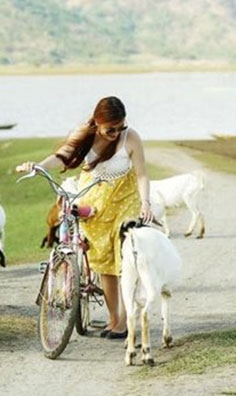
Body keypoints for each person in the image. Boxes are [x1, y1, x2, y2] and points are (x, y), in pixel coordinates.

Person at [16, 96, 153, 339]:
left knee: (124, 258)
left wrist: (145, 202)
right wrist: (37, 166)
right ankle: (114, 320)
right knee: (104, 263)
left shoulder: (131, 137)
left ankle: (126, 319)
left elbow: (142, 174)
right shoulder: (85, 135)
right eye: (110, 129)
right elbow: (61, 156)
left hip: (125, 200)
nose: (115, 133)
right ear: (98, 123)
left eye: (120, 127)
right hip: (96, 201)